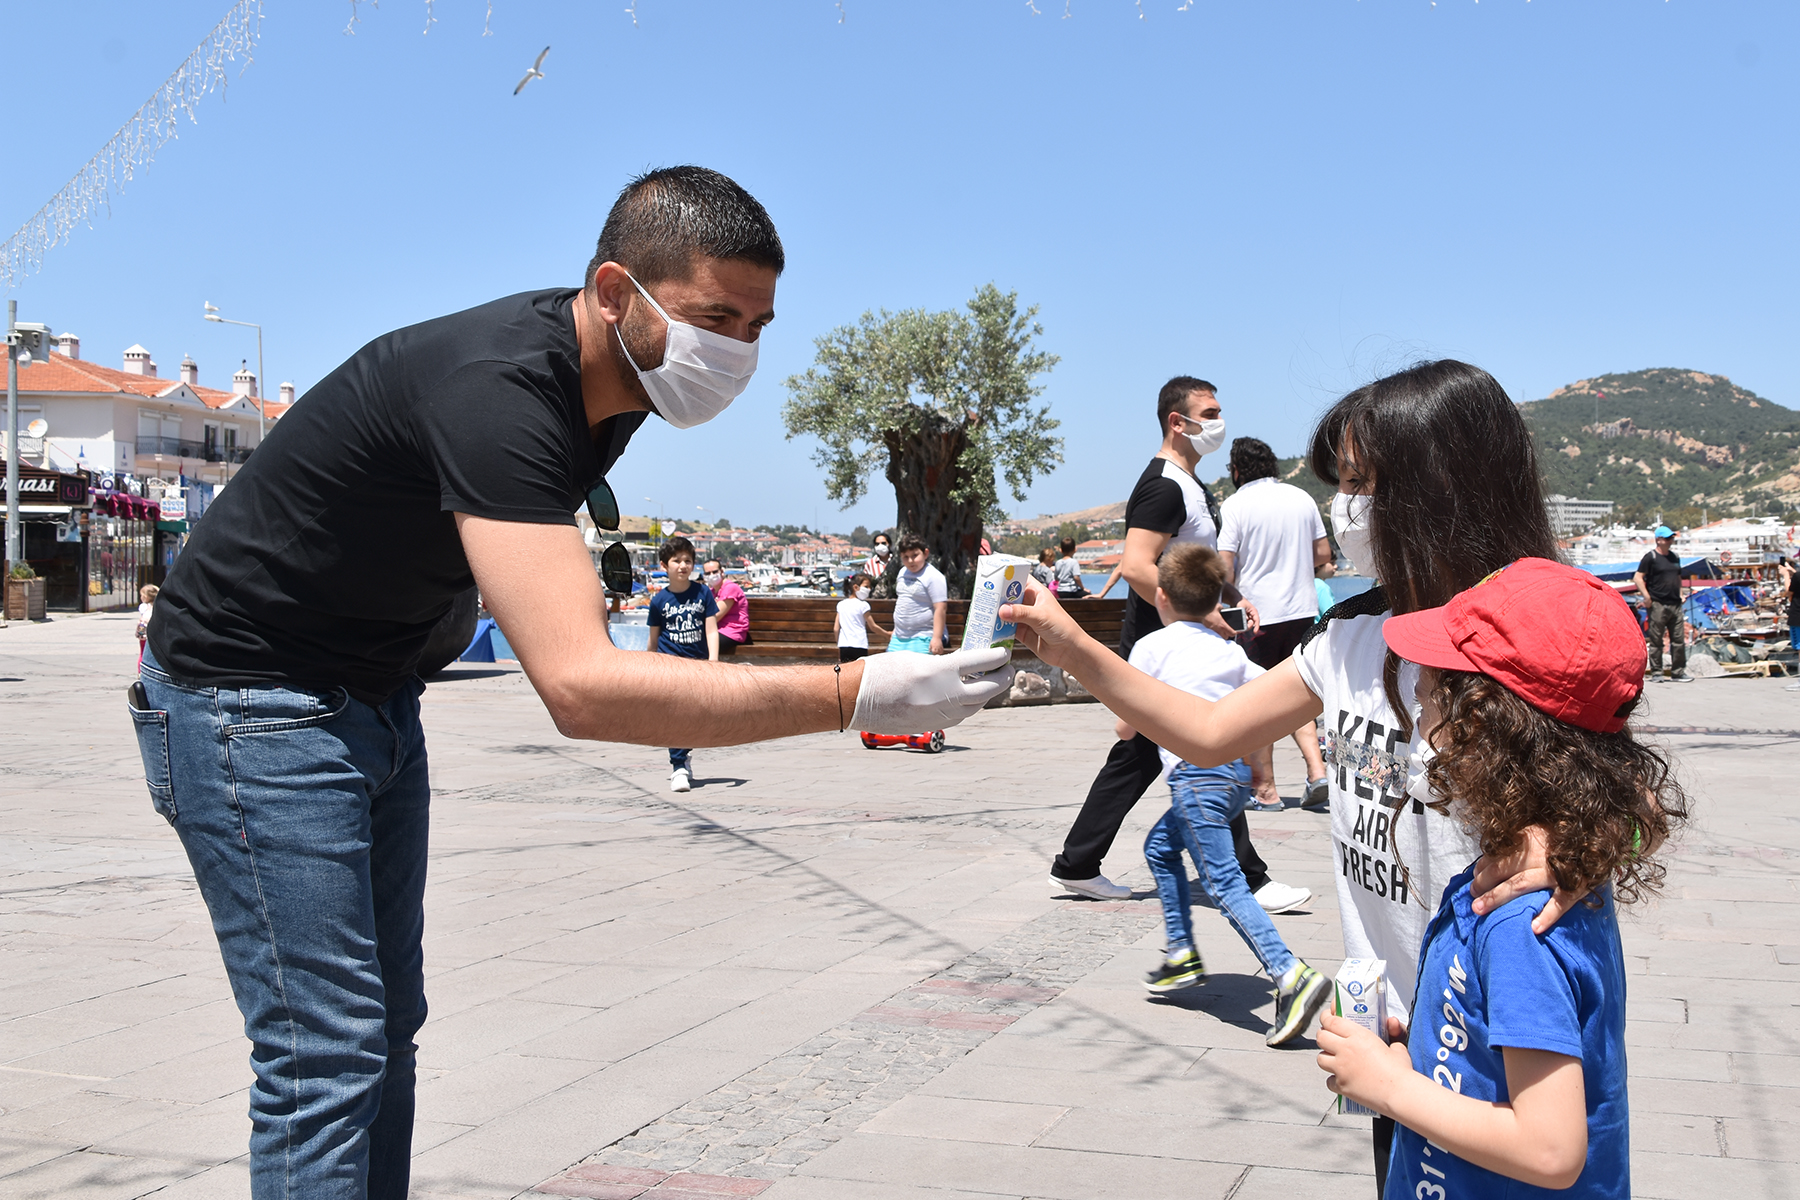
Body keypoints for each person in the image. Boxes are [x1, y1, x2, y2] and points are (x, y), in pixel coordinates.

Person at [132, 165, 1010, 1200]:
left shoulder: (619, 393)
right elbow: (583, 687)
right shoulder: (500, 391)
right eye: (714, 316)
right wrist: (850, 691)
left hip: (371, 696)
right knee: (324, 1051)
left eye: (759, 324)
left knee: (384, 1033)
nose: (738, 351)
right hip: (251, 702)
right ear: (612, 291)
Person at [1005, 359, 1579, 1195]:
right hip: (1389, 1026)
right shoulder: (1348, 636)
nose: (1345, 508)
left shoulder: (1536, 632)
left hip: (1499, 1017)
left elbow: (1616, 789)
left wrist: (1592, 844)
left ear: (1440, 485)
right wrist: (1078, 652)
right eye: (1340, 483)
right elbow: (1207, 734)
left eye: (1360, 482)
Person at [1317, 557, 1687, 1197]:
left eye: (1434, 686)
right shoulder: (1536, 869)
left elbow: (1550, 1151)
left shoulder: (1521, 920)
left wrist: (1389, 1086)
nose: (1420, 694)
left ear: (1482, 727)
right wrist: (1430, 1047)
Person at [1047, 376, 1304, 915]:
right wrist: (1204, 614)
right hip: (1164, 640)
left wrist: (1231, 593)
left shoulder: (1189, 483)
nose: (1218, 422)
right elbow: (1138, 565)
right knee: (1208, 744)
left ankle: (1077, 863)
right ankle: (1249, 878)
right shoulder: (1164, 485)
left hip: (1175, 634)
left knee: (1150, 754)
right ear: (1177, 422)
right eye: (1208, 413)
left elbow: (1185, 561)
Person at [1129, 543, 1330, 1046]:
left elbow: (1125, 726)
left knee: (1222, 884)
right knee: (1158, 848)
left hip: (1195, 779)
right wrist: (1263, 771)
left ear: (1161, 597)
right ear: (1217, 598)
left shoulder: (1153, 647)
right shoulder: (1229, 651)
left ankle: (1291, 975)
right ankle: (1181, 953)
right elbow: (1270, 705)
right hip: (1232, 778)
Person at [1217, 436, 1332, 809]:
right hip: (1301, 609)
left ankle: (1265, 790)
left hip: (1257, 616)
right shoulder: (1301, 497)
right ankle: (1317, 773)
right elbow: (1323, 554)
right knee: (1300, 696)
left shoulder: (1235, 505)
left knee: (1258, 701)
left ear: (1236, 469)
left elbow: (1224, 567)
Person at [648, 537, 718, 792]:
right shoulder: (658, 601)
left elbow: (711, 630)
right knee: (675, 714)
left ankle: (684, 755)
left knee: (697, 714)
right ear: (665, 565)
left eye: (687, 560)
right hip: (669, 664)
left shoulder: (703, 593)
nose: (682, 565)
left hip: (698, 664)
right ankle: (678, 766)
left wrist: (713, 661)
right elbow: (653, 638)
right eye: (676, 561)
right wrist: (650, 666)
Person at [1633, 526, 1692, 682]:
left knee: (1678, 639)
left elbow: (1677, 578)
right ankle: (1657, 672)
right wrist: (1646, 597)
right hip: (1658, 603)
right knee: (1657, 640)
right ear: (1658, 540)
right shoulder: (1650, 557)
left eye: (1671, 538)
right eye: (1667, 538)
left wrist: (1681, 594)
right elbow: (1638, 577)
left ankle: (1678, 672)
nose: (1670, 541)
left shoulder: (1674, 557)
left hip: (1675, 604)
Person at [890, 534, 948, 654]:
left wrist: (937, 638)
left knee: (919, 672)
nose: (910, 561)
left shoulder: (933, 576)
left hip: (923, 637)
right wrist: (895, 630)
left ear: (925, 553)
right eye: (905, 557)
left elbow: (940, 608)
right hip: (899, 637)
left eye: (915, 555)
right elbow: (902, 601)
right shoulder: (902, 572)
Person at [835, 572, 888, 662]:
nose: (869, 589)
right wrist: (887, 634)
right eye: (866, 587)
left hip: (844, 645)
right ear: (856, 587)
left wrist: (839, 645)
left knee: (846, 673)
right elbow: (873, 626)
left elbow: (836, 628)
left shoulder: (841, 604)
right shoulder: (863, 605)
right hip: (859, 644)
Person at [702, 558, 751, 654]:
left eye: (714, 572)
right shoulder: (711, 592)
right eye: (708, 573)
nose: (711, 576)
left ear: (722, 572)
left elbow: (715, 616)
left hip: (732, 632)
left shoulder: (730, 588)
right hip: (717, 631)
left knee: (700, 645)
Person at [135, 584, 159, 670]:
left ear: (145, 597)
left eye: (141, 595)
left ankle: (140, 671)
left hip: (143, 631)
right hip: (153, 632)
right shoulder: (158, 605)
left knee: (142, 652)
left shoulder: (143, 606)